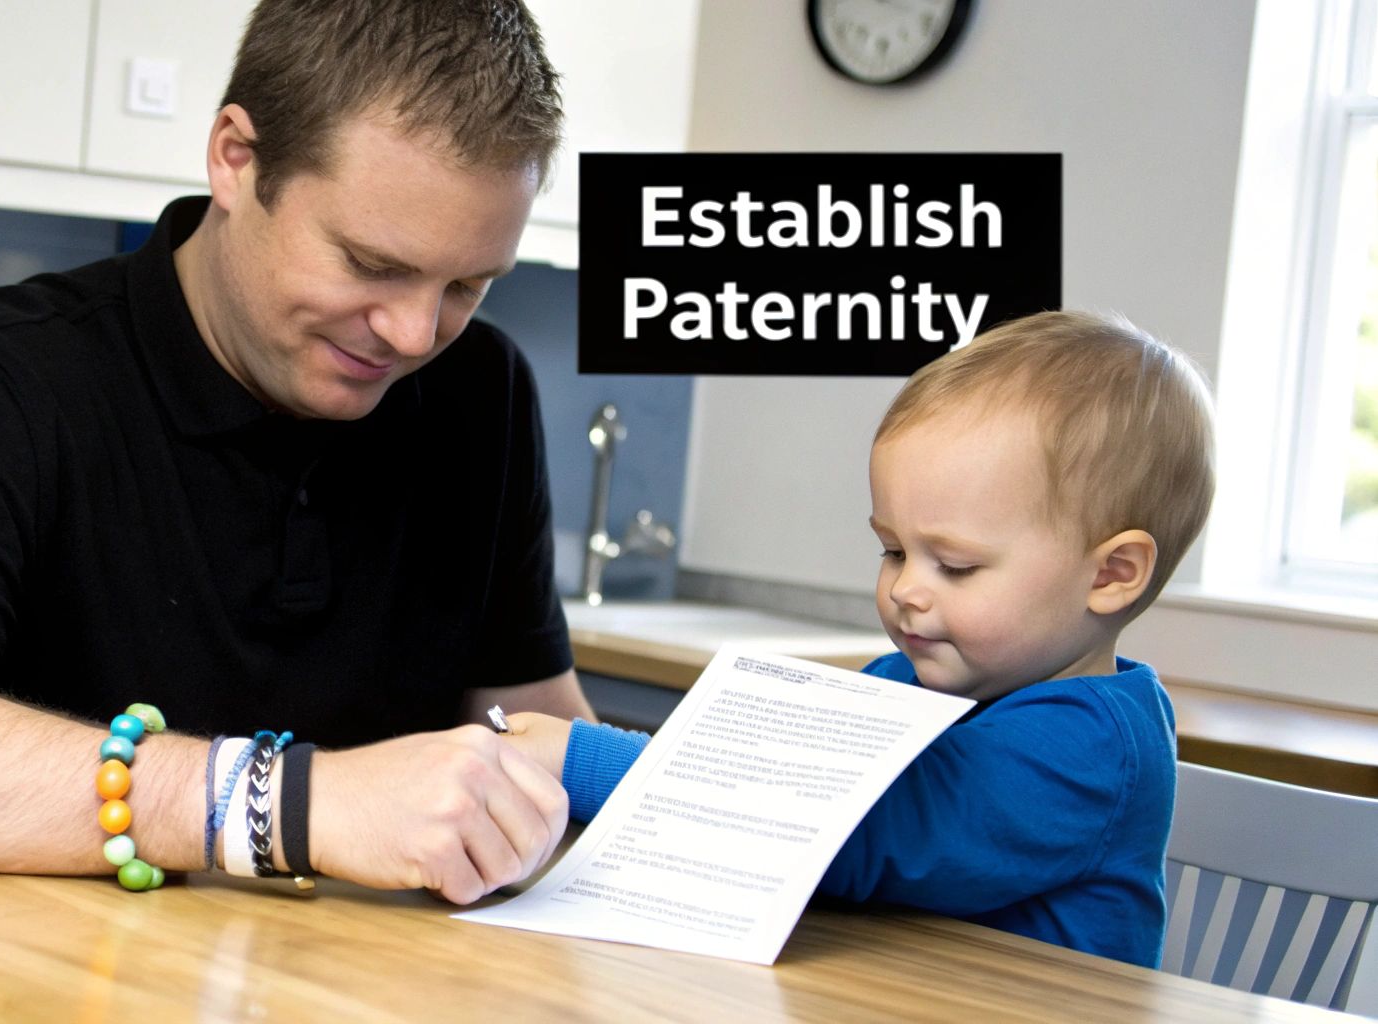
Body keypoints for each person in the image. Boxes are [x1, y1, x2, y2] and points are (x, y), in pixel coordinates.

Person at [0, 0, 594, 906]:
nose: (415, 332)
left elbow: (534, 727)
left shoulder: (481, 392)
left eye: (466, 284)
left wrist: (705, 803)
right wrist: (289, 804)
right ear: (237, 158)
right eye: (369, 264)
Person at [504, 310, 1216, 967]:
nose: (907, 589)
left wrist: (579, 757)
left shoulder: (1095, 749)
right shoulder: (901, 680)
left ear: (1112, 574)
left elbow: (839, 831)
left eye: (956, 565)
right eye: (893, 552)